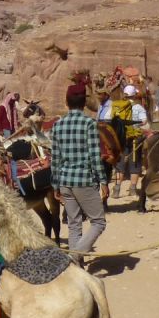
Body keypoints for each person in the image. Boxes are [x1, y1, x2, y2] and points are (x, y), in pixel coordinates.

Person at [50, 82, 107, 266]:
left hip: (65, 181)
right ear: (84, 103)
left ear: (67, 102)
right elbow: (95, 156)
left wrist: (55, 185)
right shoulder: (89, 123)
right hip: (84, 180)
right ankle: (74, 258)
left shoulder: (57, 125)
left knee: (74, 225)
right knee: (98, 222)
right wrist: (103, 180)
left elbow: (55, 159)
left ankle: (76, 267)